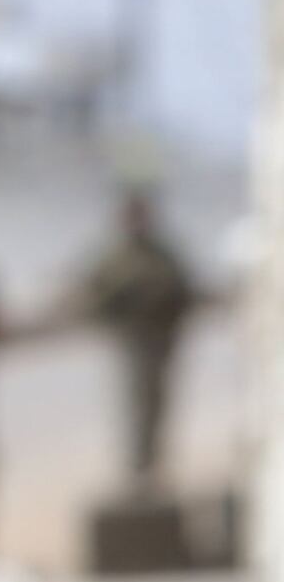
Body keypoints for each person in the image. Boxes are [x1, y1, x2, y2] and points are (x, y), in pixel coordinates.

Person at [69, 183, 201, 493]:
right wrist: (122, 306)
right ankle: (140, 470)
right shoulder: (114, 258)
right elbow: (91, 298)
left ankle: (151, 468)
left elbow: (184, 292)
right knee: (137, 405)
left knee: (157, 404)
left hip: (161, 343)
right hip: (133, 344)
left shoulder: (163, 255)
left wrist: (163, 305)